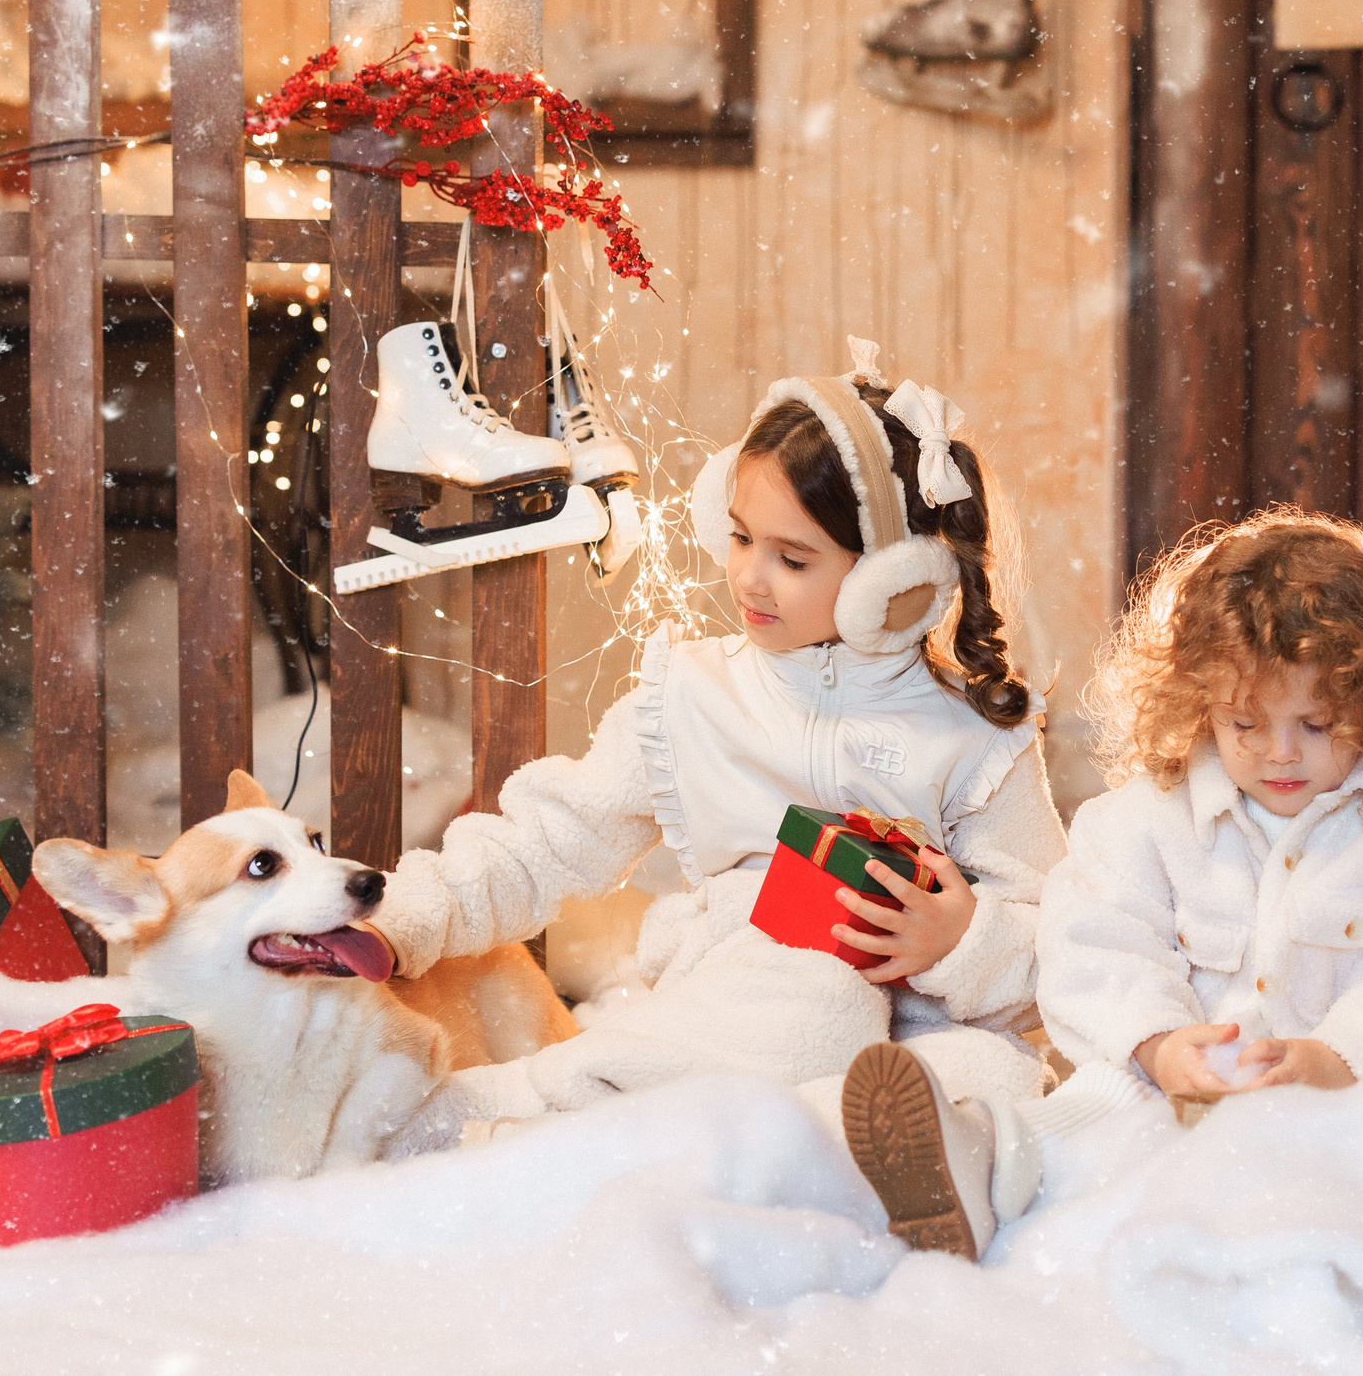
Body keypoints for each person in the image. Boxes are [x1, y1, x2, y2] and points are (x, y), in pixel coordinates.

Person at [370, 338, 1065, 1129]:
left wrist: (964, 941)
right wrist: (401, 921)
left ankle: (817, 1146)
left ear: (895, 581)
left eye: (792, 559)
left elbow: (1059, 948)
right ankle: (529, 1107)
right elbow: (547, 844)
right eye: (739, 538)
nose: (748, 578)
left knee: (993, 1076)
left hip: (906, 1054)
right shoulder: (690, 696)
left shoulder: (974, 736)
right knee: (819, 993)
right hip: (738, 1019)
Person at [839, 510, 1363, 1260]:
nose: (1280, 753)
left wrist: (1339, 1058)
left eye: (1318, 724)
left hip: (1348, 1099)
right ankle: (976, 1162)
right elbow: (1096, 943)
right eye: (1245, 725)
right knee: (1096, 1113)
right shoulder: (1145, 817)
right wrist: (1161, 1046)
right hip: (1175, 1094)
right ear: (1200, 702)